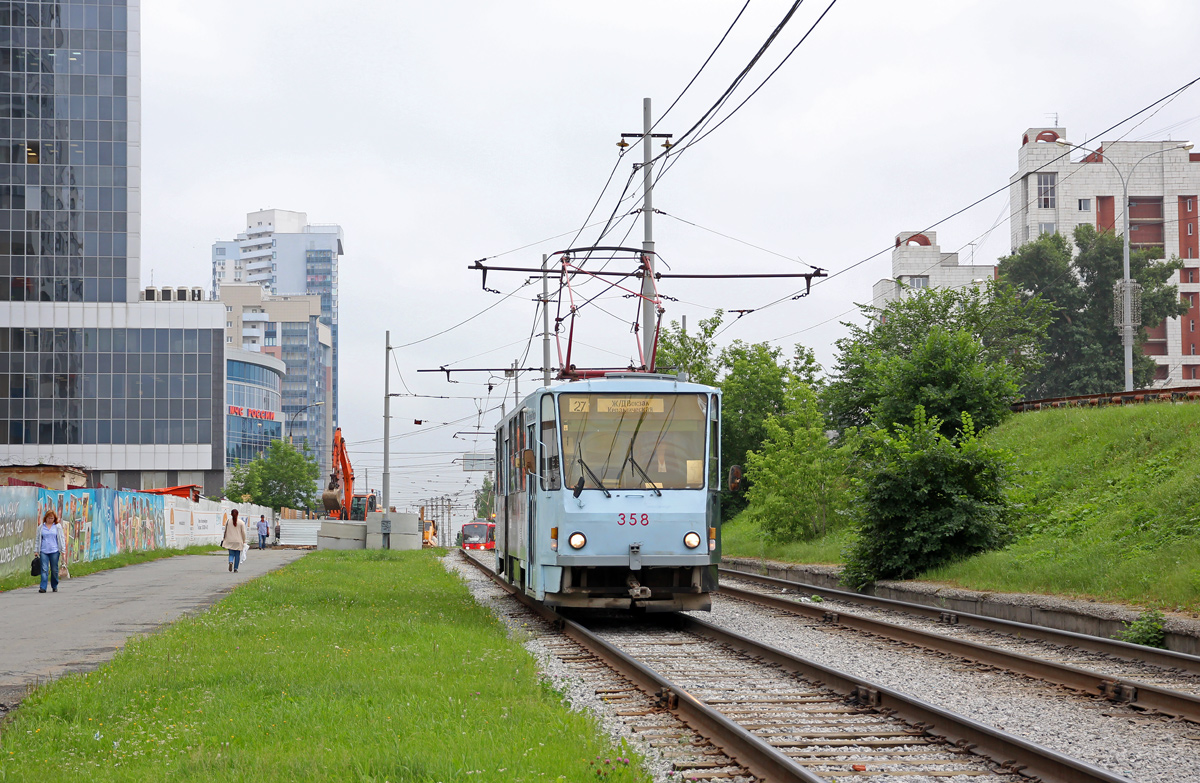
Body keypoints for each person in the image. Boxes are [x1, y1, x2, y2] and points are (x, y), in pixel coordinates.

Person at [35, 509, 66, 593]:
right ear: (46, 518)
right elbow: (38, 539)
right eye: (49, 518)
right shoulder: (41, 527)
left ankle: (54, 585)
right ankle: (43, 587)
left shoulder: (57, 527)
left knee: (54, 569)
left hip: (54, 551)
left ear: (54, 519)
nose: (50, 520)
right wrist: (36, 550)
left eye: (52, 518)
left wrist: (63, 550)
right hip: (43, 551)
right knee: (44, 569)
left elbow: (61, 538)